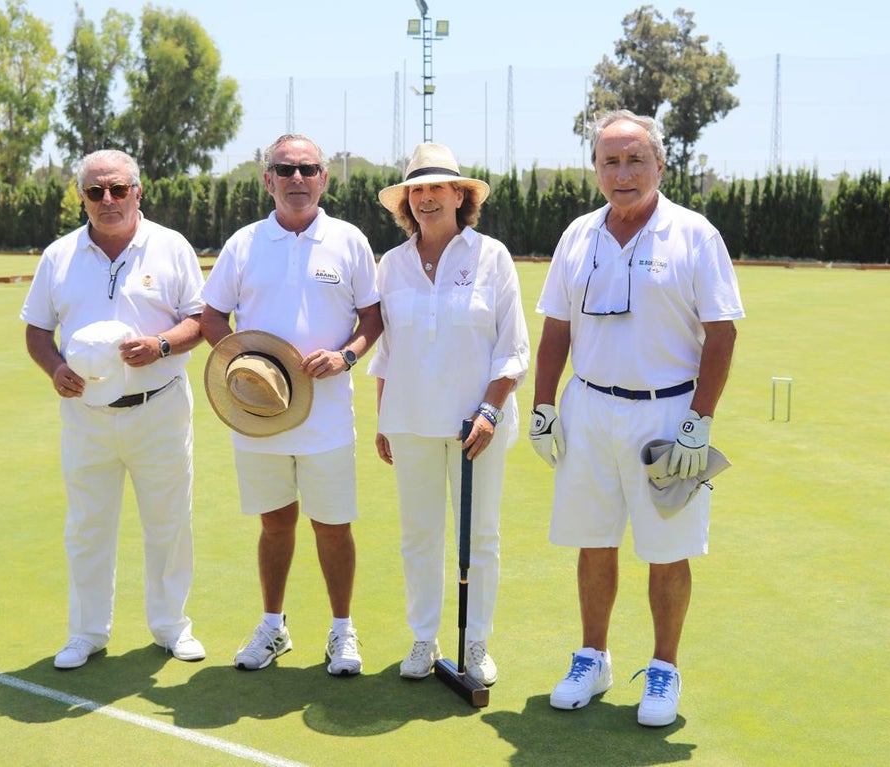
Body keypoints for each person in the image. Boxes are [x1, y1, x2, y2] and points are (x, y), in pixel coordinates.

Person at [530, 110, 744, 726]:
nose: (622, 174)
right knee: (593, 541)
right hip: (589, 407)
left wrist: (699, 422)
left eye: (635, 160)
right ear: (596, 168)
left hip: (667, 413)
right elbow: (556, 330)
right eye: (610, 162)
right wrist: (544, 407)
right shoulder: (578, 235)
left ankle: (664, 669)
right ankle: (592, 658)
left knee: (667, 550)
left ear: (660, 164)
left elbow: (722, 334)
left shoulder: (695, 234)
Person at [199, 134, 383, 676]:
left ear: (324, 178)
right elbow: (212, 317)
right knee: (275, 523)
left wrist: (346, 357)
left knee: (333, 525)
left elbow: (372, 318)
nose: (296, 178)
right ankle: (273, 627)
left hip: (327, 414)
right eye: (285, 169)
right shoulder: (244, 244)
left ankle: (342, 631)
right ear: (268, 180)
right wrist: (244, 365)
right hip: (258, 413)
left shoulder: (349, 240)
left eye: (307, 169)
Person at [20, 149, 208, 670]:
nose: (108, 199)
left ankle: (171, 627)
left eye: (118, 189)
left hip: (159, 408)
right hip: (86, 415)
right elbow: (37, 330)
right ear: (81, 197)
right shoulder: (59, 255)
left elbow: (200, 320)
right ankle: (86, 633)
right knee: (88, 526)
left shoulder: (171, 246)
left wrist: (161, 345)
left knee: (170, 522)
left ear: (137, 192)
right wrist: (55, 368)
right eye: (96, 191)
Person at [370, 143, 529, 685]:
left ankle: (477, 642)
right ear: (406, 201)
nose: (427, 198)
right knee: (418, 535)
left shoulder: (492, 256)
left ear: (460, 196)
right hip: (410, 419)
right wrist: (383, 417)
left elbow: (513, 347)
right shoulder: (392, 264)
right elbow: (388, 349)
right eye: (417, 189)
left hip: (476, 424)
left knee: (479, 536)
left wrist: (490, 410)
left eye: (438, 187)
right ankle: (423, 638)